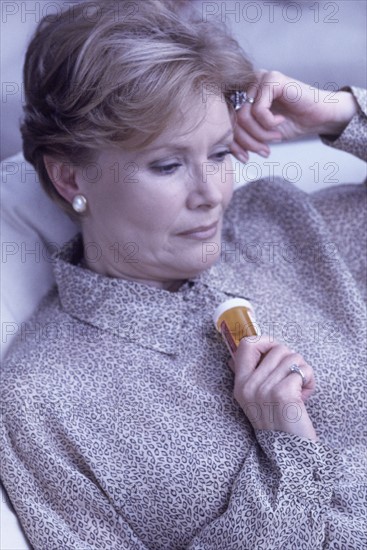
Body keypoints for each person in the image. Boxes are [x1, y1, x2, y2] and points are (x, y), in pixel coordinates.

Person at [1, 0, 366, 548]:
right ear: (70, 176)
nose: (211, 194)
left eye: (219, 153)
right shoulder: (42, 401)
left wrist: (342, 115)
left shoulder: (281, 224)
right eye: (168, 165)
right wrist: (283, 456)